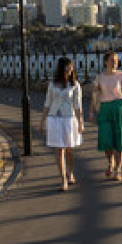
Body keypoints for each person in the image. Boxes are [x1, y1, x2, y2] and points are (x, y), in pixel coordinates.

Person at [89, 51, 122, 181]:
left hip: (119, 108)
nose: (114, 62)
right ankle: (110, 163)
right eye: (111, 60)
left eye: (116, 60)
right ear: (105, 62)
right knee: (107, 140)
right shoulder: (100, 77)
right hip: (105, 109)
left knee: (119, 141)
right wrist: (91, 112)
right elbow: (94, 96)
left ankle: (118, 169)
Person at [40, 56, 84, 191]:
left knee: (69, 150)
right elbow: (47, 103)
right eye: (67, 69)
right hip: (54, 119)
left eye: (71, 69)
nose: (69, 71)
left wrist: (80, 122)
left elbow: (78, 105)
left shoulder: (75, 85)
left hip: (69, 119)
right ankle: (63, 179)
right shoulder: (52, 84)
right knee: (59, 150)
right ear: (61, 69)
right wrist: (42, 121)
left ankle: (70, 172)